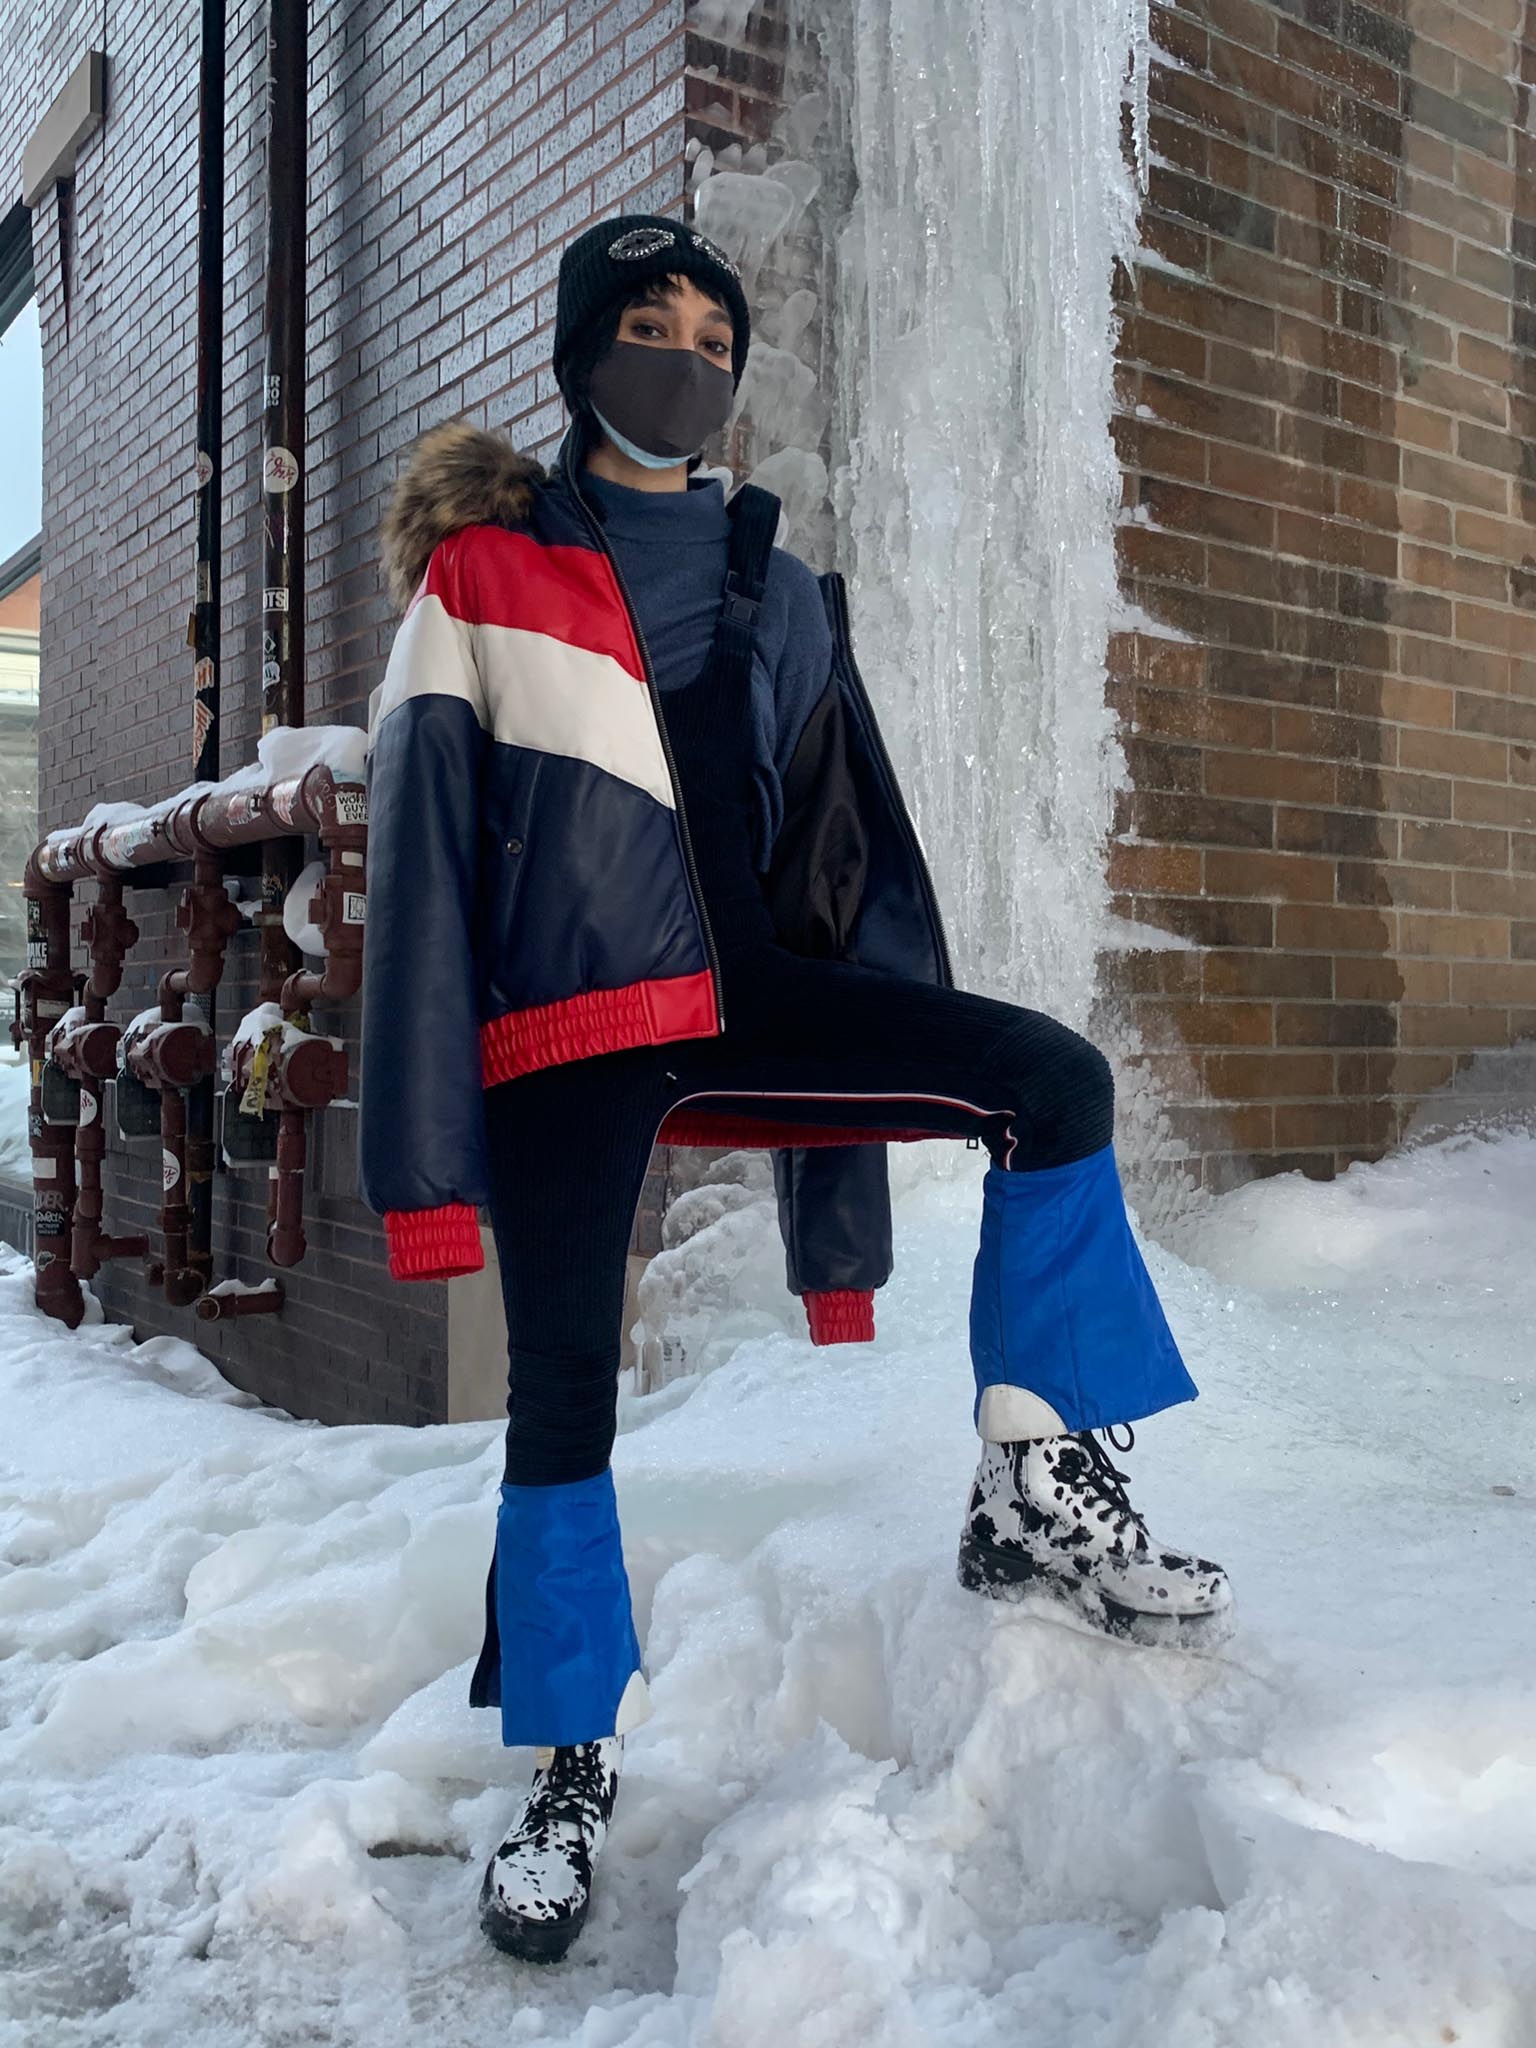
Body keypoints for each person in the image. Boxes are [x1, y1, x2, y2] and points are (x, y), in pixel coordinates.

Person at [359, 211, 1232, 1966]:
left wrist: (840, 1199)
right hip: (573, 1025)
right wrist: (425, 1157)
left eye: (713, 334)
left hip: (763, 998)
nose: (686, 357)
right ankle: (565, 1767)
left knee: (1049, 1082)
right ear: (581, 348)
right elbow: (426, 878)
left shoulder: (784, 577)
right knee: (561, 1405)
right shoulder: (486, 572)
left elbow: (858, 852)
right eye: (648, 323)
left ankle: (1031, 1479)